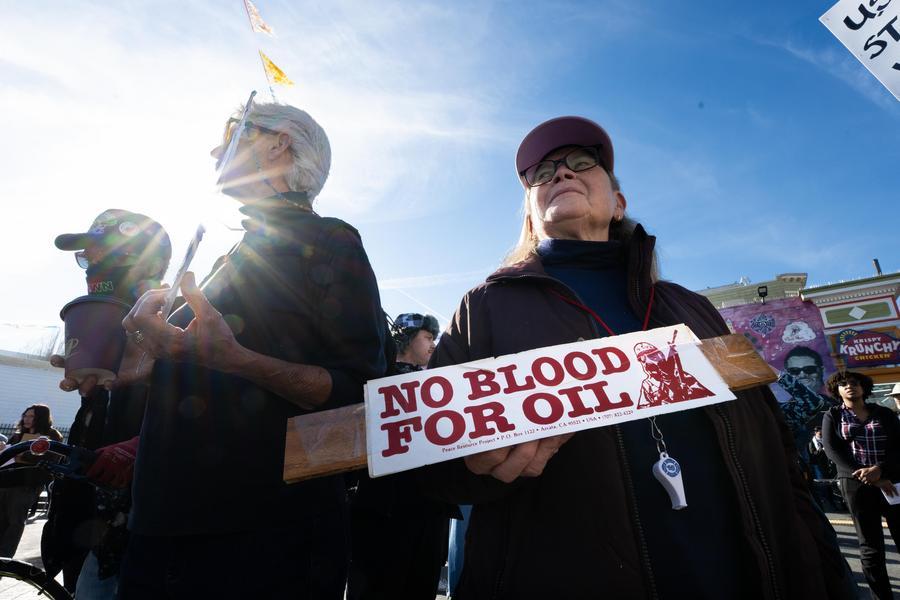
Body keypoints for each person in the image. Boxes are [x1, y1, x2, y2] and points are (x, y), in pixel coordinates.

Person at [418, 116, 854, 599]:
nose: (561, 172)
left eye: (582, 162)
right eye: (542, 173)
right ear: (531, 214)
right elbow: (430, 460)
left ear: (618, 203)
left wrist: (828, 575)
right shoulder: (484, 308)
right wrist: (473, 466)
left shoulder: (691, 306)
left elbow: (776, 453)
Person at [56, 101, 388, 598]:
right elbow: (199, 373)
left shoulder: (330, 240)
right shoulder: (228, 256)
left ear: (279, 144)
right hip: (160, 528)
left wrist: (238, 360)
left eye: (234, 133)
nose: (216, 150)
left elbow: (360, 393)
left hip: (260, 539)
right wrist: (138, 365)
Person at [46, 209, 171, 597]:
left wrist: (140, 447)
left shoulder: (180, 323)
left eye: (100, 253)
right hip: (86, 524)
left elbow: (216, 420)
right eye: (85, 257)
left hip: (144, 532)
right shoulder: (101, 330)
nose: (91, 264)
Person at [347, 312, 456, 600]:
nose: (433, 344)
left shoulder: (440, 385)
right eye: (428, 337)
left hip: (429, 509)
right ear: (406, 338)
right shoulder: (373, 379)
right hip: (382, 510)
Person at [822, 370, 900, 600]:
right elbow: (832, 451)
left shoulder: (884, 413)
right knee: (870, 546)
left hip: (891, 483)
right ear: (836, 390)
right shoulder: (832, 416)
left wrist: (880, 470)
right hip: (855, 485)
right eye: (843, 384)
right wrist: (867, 476)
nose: (850, 386)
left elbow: (898, 447)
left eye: (854, 383)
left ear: (864, 387)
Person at [0, 404, 63, 557]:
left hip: (27, 484)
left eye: (31, 416)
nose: (26, 419)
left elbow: (51, 458)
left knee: (15, 520)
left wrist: (21, 455)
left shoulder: (52, 435)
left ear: (41, 418)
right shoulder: (18, 434)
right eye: (25, 416)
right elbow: (9, 454)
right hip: (5, 480)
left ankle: (5, 557)